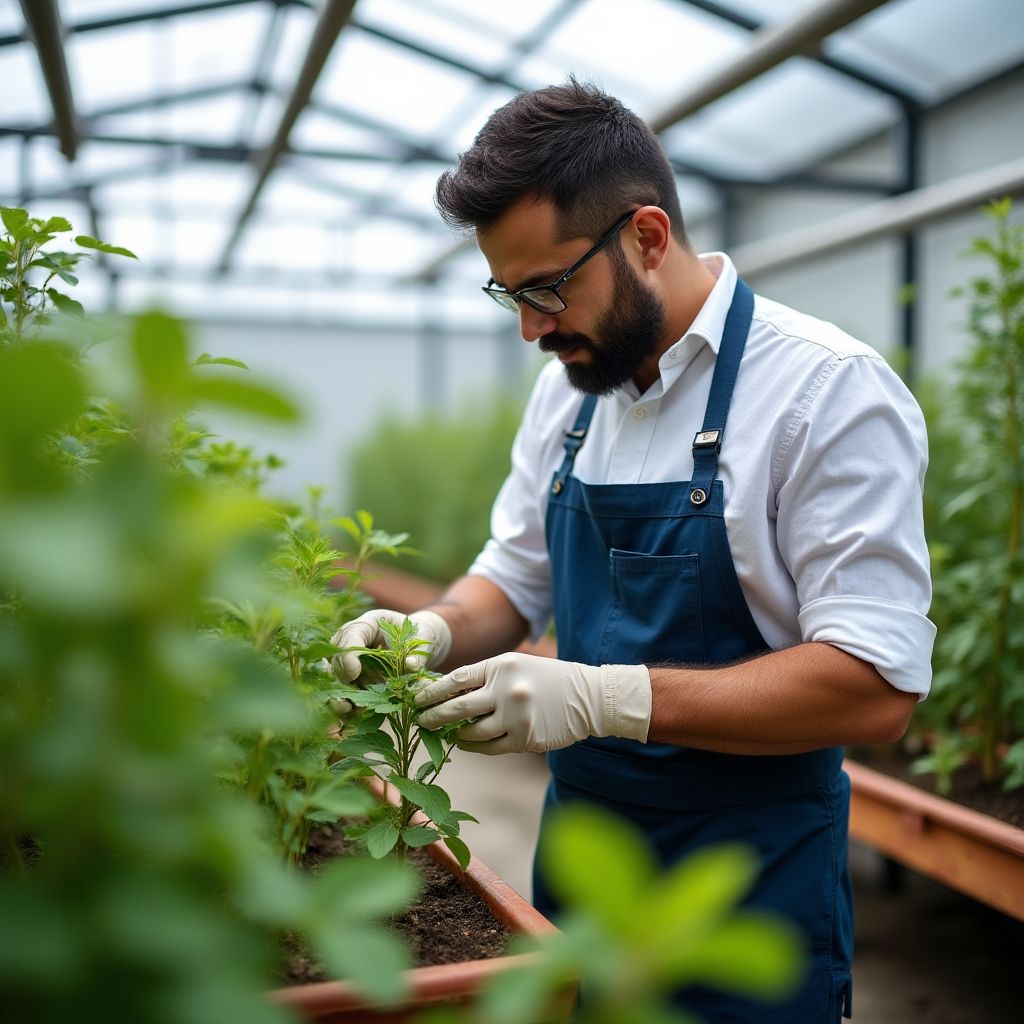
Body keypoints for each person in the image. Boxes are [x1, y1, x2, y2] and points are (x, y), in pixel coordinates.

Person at [331, 79, 934, 1022]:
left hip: (749, 886)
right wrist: (429, 632)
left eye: (547, 287)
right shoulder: (571, 391)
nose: (531, 327)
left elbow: (874, 686)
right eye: (509, 294)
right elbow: (514, 577)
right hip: (583, 864)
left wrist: (605, 696)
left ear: (648, 237)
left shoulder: (826, 391)